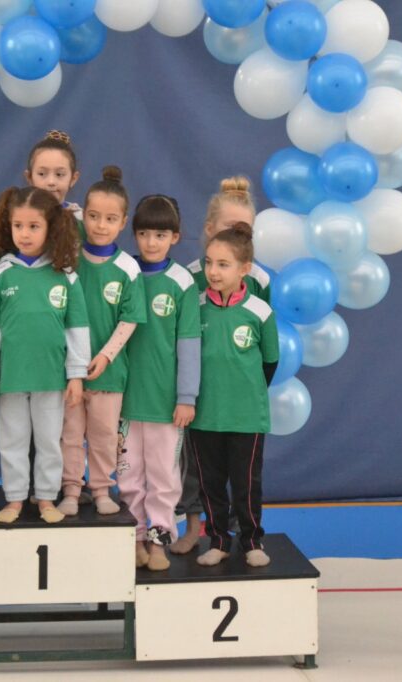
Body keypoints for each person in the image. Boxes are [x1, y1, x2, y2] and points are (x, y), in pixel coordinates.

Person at [0, 186, 90, 524]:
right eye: (18, 226)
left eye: (33, 226)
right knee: (12, 441)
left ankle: (47, 498)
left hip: (51, 378)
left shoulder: (65, 276)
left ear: (51, 227)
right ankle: (15, 499)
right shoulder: (1, 274)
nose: (24, 233)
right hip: (11, 377)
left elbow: (77, 329)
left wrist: (76, 375)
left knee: (50, 441)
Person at [174, 176, 270, 555]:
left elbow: (265, 345)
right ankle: (196, 525)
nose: (237, 235)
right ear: (210, 229)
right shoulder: (188, 278)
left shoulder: (258, 280)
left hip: (239, 396)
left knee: (241, 471)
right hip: (196, 391)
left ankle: (241, 534)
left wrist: (250, 385)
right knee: (196, 467)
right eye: (230, 228)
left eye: (245, 230)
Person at [117, 194, 200, 571]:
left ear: (176, 238)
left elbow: (188, 345)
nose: (151, 242)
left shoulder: (182, 283)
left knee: (164, 477)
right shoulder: (124, 273)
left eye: (160, 235)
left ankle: (159, 540)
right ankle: (133, 537)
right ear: (134, 235)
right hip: (124, 400)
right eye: (145, 234)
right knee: (129, 474)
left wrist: (186, 396)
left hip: (166, 401)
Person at [189, 222, 279, 568]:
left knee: (245, 484)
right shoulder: (194, 307)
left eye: (223, 265)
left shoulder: (260, 311)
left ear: (244, 270)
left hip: (246, 417)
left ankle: (252, 540)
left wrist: (247, 394)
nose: (213, 271)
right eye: (209, 263)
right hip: (204, 416)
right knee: (211, 484)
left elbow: (270, 361)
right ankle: (218, 540)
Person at [59, 167, 146, 517]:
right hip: (69, 370)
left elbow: (130, 319)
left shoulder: (127, 268)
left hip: (109, 373)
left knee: (104, 436)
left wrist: (107, 356)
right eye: (93, 216)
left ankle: (100, 489)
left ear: (123, 222)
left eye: (110, 219)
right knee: (69, 433)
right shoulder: (69, 260)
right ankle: (70, 489)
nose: (100, 225)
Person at [25, 129, 84, 238]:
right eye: (42, 174)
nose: (51, 182)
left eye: (59, 174)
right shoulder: (19, 216)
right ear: (29, 177)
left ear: (73, 179)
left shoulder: (83, 221)